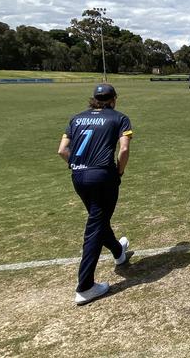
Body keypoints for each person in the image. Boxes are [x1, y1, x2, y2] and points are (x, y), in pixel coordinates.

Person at [57, 84, 133, 305]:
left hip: (78, 177)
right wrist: (119, 172)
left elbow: (62, 150)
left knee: (98, 219)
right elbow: (125, 150)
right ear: (114, 99)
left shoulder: (76, 118)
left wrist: (79, 166)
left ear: (94, 99)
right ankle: (85, 286)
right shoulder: (120, 118)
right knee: (95, 226)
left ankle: (119, 252)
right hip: (102, 176)